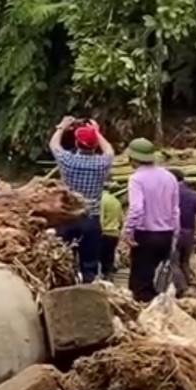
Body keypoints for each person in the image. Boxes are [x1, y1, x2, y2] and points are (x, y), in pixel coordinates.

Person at [50, 117, 116, 283]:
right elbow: (109, 150)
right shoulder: (101, 163)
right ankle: (88, 290)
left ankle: (65, 290)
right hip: (91, 219)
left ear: (77, 143)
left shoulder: (68, 161)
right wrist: (97, 132)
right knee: (90, 265)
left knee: (64, 263)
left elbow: (54, 145)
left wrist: (62, 127)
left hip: (67, 218)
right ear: (94, 146)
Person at [122, 138, 180, 302]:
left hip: (145, 235)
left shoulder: (136, 179)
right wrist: (175, 234)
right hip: (166, 234)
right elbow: (175, 210)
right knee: (158, 278)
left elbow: (136, 208)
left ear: (132, 158)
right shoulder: (170, 177)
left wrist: (127, 232)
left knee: (140, 283)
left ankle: (145, 317)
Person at [171, 171, 196, 295]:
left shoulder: (169, 194)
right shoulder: (194, 196)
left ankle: (183, 289)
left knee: (173, 263)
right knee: (185, 261)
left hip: (174, 232)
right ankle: (190, 283)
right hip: (189, 233)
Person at [99, 188, 124, 281]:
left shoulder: (101, 200)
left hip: (104, 232)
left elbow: (100, 218)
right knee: (110, 256)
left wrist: (98, 231)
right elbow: (121, 219)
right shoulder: (116, 201)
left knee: (101, 256)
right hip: (114, 233)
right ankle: (109, 275)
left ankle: (102, 276)